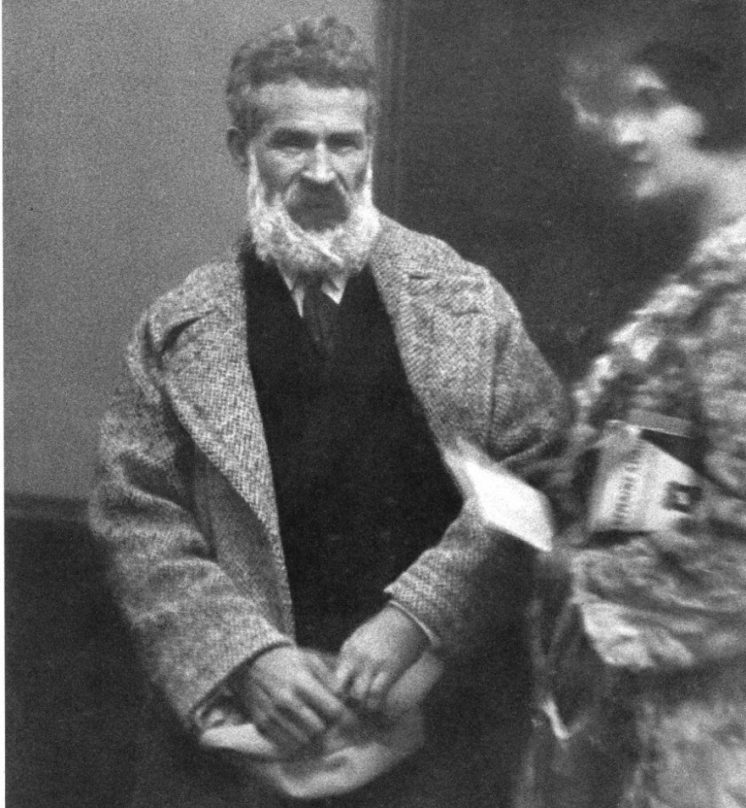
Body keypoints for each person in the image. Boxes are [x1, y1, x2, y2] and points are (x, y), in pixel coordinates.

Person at [88, 16, 567, 808]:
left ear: (369, 148)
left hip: (440, 738)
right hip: (246, 745)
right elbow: (135, 517)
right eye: (291, 142)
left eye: (344, 143)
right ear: (242, 150)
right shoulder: (177, 331)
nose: (322, 171)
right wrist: (247, 657)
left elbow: (537, 477)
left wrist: (417, 617)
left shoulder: (465, 302)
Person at [517, 35, 746, 808]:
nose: (623, 135)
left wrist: (581, 572)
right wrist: (576, 489)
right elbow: (667, 471)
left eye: (651, 104)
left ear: (725, 104)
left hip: (713, 739)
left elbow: (739, 547)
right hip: (657, 717)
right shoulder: (707, 286)